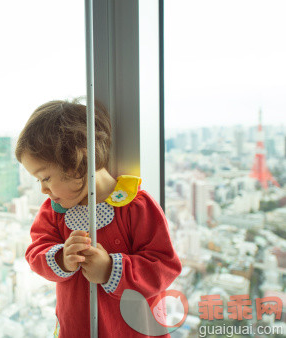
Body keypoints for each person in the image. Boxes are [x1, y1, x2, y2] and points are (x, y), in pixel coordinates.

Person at [15, 99, 183, 337]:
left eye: (46, 178)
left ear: (78, 161)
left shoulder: (135, 207)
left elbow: (164, 266)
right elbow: (35, 253)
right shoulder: (54, 212)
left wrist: (110, 270)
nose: (43, 189)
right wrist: (62, 258)